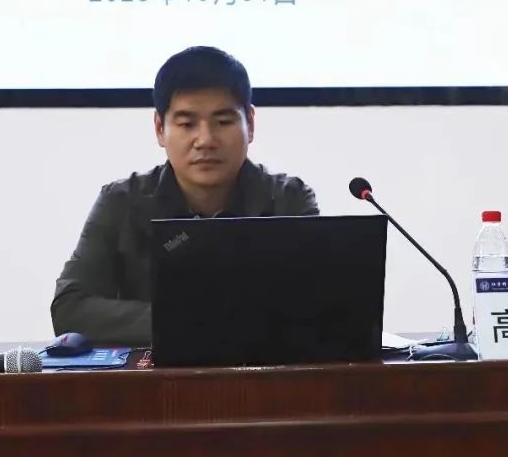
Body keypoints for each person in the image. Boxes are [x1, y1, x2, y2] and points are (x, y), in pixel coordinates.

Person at [51, 46, 319, 346]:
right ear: (160, 129)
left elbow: (319, 304)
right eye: (187, 124)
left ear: (251, 124)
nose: (205, 140)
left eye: (223, 122)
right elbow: (70, 309)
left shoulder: (288, 200)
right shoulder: (122, 202)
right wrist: (187, 319)